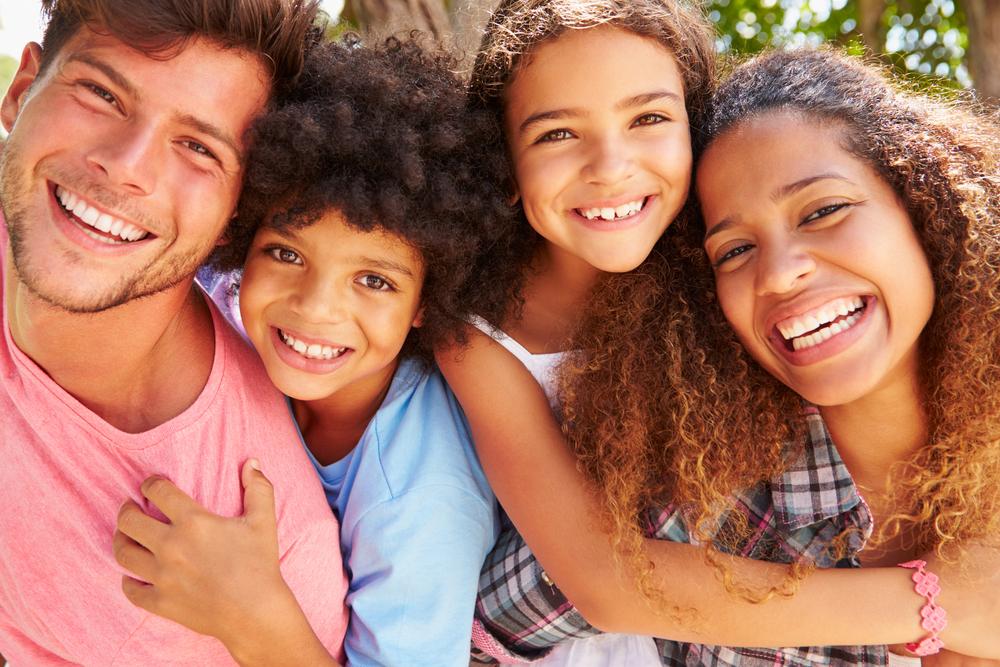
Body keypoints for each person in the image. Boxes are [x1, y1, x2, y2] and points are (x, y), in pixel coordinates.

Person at [435, 1, 1000, 664]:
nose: (613, 164)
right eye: (734, 250)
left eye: (823, 211)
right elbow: (585, 583)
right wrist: (933, 605)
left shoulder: (695, 320)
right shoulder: (705, 474)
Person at [111, 36, 515, 666]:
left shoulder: (418, 496)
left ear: (425, 305)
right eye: (286, 254)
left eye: (374, 280)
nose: (315, 308)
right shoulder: (222, 296)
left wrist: (249, 615)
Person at [0, 1, 349, 664]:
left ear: (234, 214)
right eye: (100, 93)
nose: (128, 166)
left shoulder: (255, 540)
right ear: (21, 94)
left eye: (198, 147)